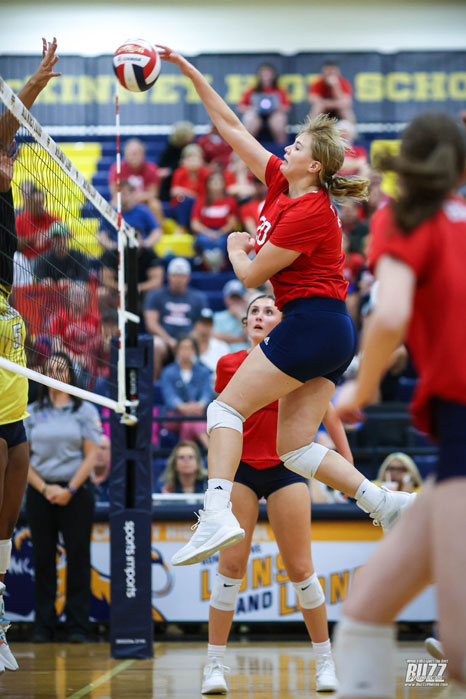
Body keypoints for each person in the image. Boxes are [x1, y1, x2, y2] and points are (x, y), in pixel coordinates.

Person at [156, 44, 414, 569]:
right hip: (326, 329)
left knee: (223, 408)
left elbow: (252, 274)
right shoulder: (281, 181)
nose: (286, 147)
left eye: (295, 145)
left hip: (313, 322)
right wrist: (190, 73)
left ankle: (216, 513)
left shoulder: (311, 211)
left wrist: (233, 244)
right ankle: (382, 501)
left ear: (312, 164)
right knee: (293, 448)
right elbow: (232, 128)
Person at [333, 112, 466, 696]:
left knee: (458, 650)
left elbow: (390, 313)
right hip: (452, 445)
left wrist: (358, 391)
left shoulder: (404, 217)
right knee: (364, 611)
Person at [202, 295, 347, 694]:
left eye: (269, 311)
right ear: (245, 322)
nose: (261, 317)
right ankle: (213, 666)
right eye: (255, 312)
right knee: (231, 569)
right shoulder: (228, 364)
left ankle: (325, 663)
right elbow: (224, 418)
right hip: (242, 473)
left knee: (301, 570)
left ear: (281, 322)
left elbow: (328, 412)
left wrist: (348, 465)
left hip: (287, 469)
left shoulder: (298, 360)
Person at [0, 36, 60, 672]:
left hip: (7, 323)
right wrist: (37, 82)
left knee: (16, 473)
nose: (12, 162)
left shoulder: (7, 193)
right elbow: (7, 125)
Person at [25, 352, 101, 643]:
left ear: (70, 374)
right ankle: (43, 627)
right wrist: (45, 489)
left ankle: (78, 627)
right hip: (40, 492)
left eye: (61, 369)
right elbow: (24, 458)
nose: (56, 375)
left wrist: (68, 490)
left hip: (76, 493)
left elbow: (91, 456)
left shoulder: (85, 411)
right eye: (51, 369)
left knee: (79, 559)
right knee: (42, 560)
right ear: (43, 375)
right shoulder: (31, 410)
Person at [143, 257, 207, 378]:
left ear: (188, 277)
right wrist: (169, 340)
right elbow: (151, 323)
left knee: (204, 339)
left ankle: (199, 381)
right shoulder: (155, 295)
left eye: (182, 275)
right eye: (175, 275)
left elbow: (202, 324)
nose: (178, 279)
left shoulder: (198, 297)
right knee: (155, 344)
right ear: (168, 276)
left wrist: (185, 342)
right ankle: (156, 383)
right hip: (165, 340)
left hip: (190, 339)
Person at [160, 336, 213, 449]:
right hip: (174, 416)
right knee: (191, 418)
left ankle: (183, 454)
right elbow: (169, 396)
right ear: (177, 351)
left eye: (189, 348)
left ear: (194, 351)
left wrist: (200, 405)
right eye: (183, 348)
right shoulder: (168, 372)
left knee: (189, 422)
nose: (186, 351)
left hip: (198, 413)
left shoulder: (203, 371)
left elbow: (207, 393)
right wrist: (184, 407)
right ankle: (210, 448)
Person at [190, 172, 238, 271]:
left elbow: (232, 223)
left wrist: (219, 232)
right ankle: (209, 264)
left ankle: (217, 265)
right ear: (208, 184)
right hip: (205, 231)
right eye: (213, 181)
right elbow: (195, 223)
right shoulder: (201, 202)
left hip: (222, 232)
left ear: (223, 184)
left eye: (219, 181)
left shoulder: (230, 202)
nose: (216, 183)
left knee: (222, 241)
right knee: (203, 240)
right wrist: (208, 232)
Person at [108, 138, 162, 221]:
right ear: (125, 154)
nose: (134, 156)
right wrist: (127, 199)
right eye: (132, 153)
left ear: (143, 154)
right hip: (123, 200)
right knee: (113, 203)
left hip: (143, 200)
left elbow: (153, 193)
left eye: (137, 153)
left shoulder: (152, 168)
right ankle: (109, 231)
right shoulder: (117, 168)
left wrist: (135, 198)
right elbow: (114, 192)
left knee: (155, 204)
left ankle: (158, 230)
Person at [98, 180, 162, 251]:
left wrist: (145, 244)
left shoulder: (143, 210)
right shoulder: (110, 212)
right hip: (117, 251)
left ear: (133, 194)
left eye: (125, 193)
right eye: (119, 194)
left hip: (140, 250)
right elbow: (102, 234)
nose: (122, 197)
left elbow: (157, 231)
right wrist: (113, 246)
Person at [238, 63, 290, 144]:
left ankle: (283, 148)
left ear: (273, 76)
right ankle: (245, 146)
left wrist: (276, 107)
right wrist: (252, 108)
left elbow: (287, 107)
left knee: (279, 119)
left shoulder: (279, 90)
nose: (266, 77)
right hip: (256, 116)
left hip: (273, 116)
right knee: (249, 118)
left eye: (269, 74)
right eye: (264, 75)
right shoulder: (252, 90)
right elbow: (240, 107)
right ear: (259, 76)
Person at [14, 185, 57, 261]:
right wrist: (34, 238)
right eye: (36, 204)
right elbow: (15, 244)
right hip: (26, 262)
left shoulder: (51, 218)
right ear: (30, 203)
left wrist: (49, 235)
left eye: (41, 204)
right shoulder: (20, 219)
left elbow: (68, 233)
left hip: (48, 262)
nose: (40, 207)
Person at [190, 308, 229, 383]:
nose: (205, 326)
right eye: (203, 323)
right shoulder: (187, 345)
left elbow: (225, 373)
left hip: (214, 388)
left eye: (208, 323)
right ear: (196, 324)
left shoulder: (222, 346)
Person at [212, 280, 249, 352]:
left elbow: (250, 337)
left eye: (238, 298)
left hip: (244, 355)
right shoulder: (217, 316)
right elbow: (213, 336)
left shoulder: (248, 317)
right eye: (233, 298)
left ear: (243, 299)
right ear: (226, 299)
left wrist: (240, 316)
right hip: (221, 354)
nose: (235, 301)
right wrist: (240, 339)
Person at [90, 434, 111, 503]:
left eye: (103, 448)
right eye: (95, 448)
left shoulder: (118, 481)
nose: (99, 452)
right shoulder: (78, 481)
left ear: (111, 453)